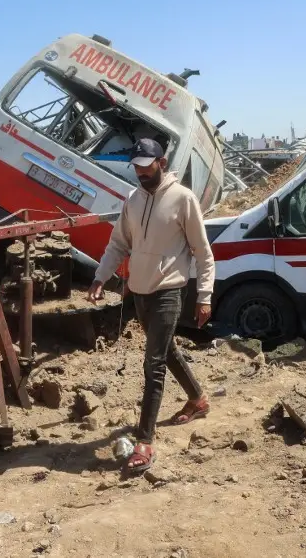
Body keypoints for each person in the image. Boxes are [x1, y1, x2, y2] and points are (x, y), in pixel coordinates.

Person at [86, 138, 215, 474]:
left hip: (169, 290)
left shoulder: (183, 199)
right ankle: (198, 399)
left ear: (162, 162)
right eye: (137, 168)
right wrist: (100, 278)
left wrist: (204, 295)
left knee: (153, 362)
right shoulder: (132, 200)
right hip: (140, 291)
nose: (141, 174)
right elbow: (118, 244)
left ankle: (145, 442)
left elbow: (203, 252)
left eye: (147, 167)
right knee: (166, 350)